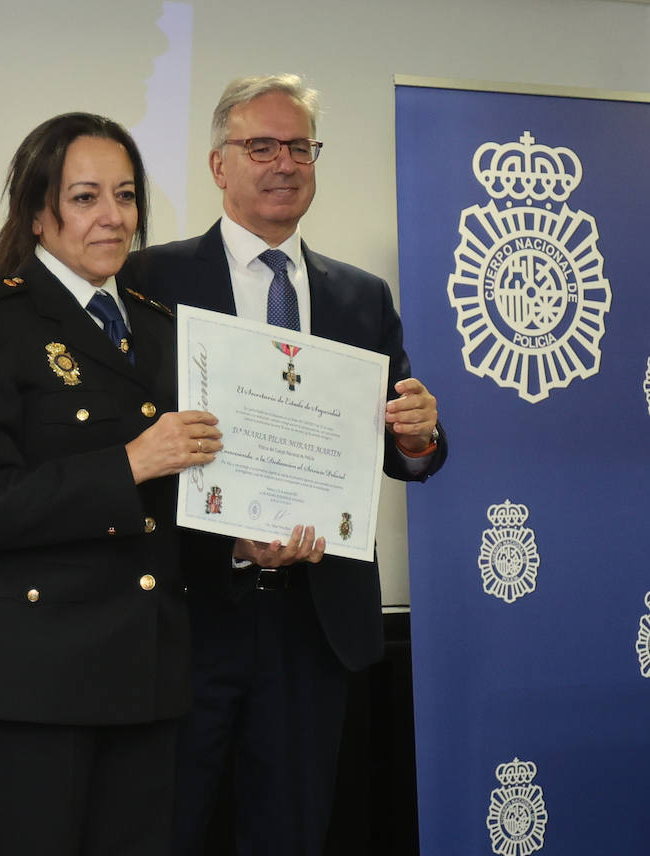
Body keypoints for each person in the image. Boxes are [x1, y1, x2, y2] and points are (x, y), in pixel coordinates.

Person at [128, 74, 447, 856]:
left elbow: (406, 449)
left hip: (316, 623)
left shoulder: (359, 297)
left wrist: (418, 437)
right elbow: (122, 442)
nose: (284, 162)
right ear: (218, 165)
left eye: (299, 147)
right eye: (260, 145)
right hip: (190, 614)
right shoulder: (149, 283)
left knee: (293, 835)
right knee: (166, 831)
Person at [0, 112, 222, 855]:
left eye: (125, 196)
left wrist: (247, 534)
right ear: (36, 211)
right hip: (31, 677)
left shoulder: (161, 328)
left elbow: (181, 496)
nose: (113, 217)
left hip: (145, 672)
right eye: (86, 197)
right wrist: (128, 464)